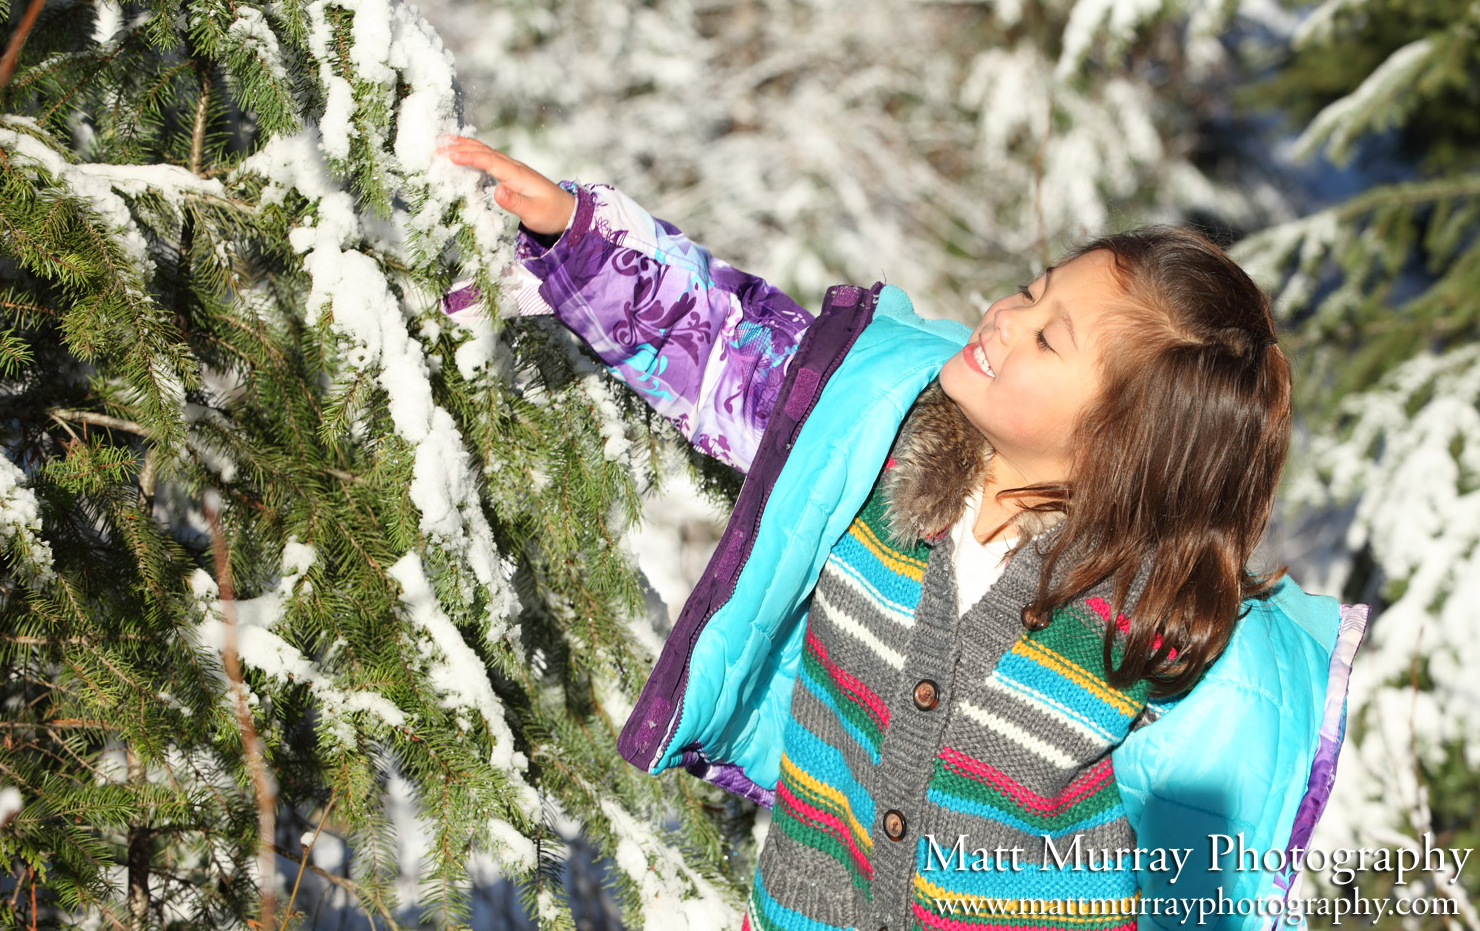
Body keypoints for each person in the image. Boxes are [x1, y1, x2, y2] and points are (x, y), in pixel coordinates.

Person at [437, 137, 1368, 931]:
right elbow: (727, 346)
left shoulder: (1158, 613)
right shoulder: (880, 434)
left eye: (1049, 338)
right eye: (1030, 292)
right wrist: (582, 237)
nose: (1006, 318)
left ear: (1126, 439)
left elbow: (1200, 859)